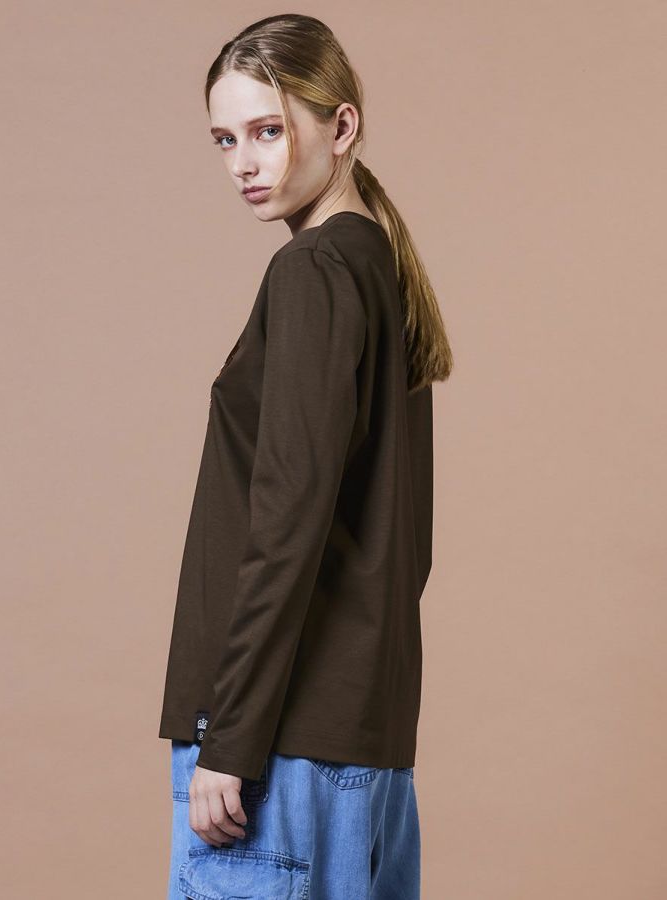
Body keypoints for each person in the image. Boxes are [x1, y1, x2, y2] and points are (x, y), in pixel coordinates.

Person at [158, 13, 453, 899]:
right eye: (225, 139)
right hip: (357, 749)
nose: (243, 164)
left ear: (342, 125)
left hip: (279, 751)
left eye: (268, 131)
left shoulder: (315, 272)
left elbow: (288, 523)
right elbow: (401, 548)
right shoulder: (372, 267)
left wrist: (230, 737)